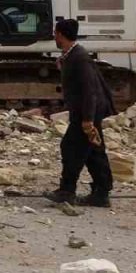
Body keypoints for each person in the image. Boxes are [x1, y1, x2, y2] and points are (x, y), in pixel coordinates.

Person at [44, 19, 114, 208]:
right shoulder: (72, 55)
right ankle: (101, 191)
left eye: (55, 33)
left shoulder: (79, 57)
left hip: (87, 112)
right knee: (93, 151)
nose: (54, 36)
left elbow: (90, 91)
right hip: (86, 111)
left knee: (71, 147)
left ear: (60, 34)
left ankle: (67, 191)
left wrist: (87, 119)